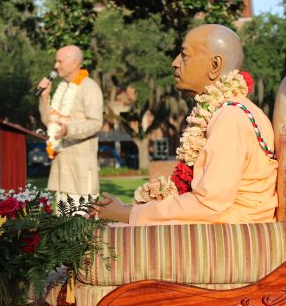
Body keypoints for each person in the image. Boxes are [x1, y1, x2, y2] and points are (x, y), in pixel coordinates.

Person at [98, 23, 278, 225]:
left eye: (184, 55)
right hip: (224, 227)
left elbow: (208, 205)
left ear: (215, 66)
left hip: (233, 238)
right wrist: (131, 210)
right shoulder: (230, 111)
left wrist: (127, 214)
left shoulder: (232, 117)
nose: (175, 63)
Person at [37, 45, 103, 205]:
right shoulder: (62, 88)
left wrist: (69, 130)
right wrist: (44, 98)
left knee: (81, 223)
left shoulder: (89, 87)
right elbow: (49, 122)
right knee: (62, 223)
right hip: (61, 167)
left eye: (59, 61)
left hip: (80, 169)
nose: (55, 66)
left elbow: (96, 123)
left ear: (74, 63)